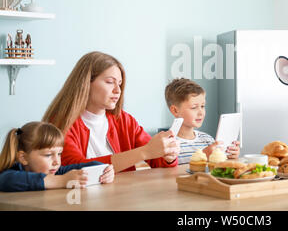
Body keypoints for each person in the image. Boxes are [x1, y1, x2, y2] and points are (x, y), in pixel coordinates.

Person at [42, 51, 180, 172]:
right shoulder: (61, 122)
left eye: (119, 84)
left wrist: (168, 156)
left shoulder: (125, 120)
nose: (118, 90)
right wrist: (144, 152)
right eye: (109, 82)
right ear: (85, 83)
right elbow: (75, 167)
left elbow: (158, 162)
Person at [0, 121, 114, 192]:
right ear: (23, 158)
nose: (56, 162)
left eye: (59, 154)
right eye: (48, 155)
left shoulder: (56, 171)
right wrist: (61, 180)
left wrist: (105, 170)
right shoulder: (11, 172)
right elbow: (6, 180)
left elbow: (89, 165)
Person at [165, 78, 240, 164]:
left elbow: (218, 168)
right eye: (194, 107)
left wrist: (230, 157)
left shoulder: (208, 140)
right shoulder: (168, 145)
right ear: (175, 110)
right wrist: (203, 156)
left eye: (203, 106)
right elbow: (169, 174)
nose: (201, 113)